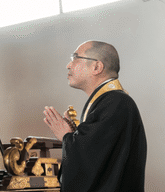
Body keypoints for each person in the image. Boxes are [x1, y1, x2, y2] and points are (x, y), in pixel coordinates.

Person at [42, 41, 147, 192]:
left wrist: (66, 136)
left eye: (75, 58)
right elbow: (99, 154)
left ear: (97, 67)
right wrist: (75, 136)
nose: (68, 65)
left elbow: (90, 163)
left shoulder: (117, 103)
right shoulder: (111, 102)